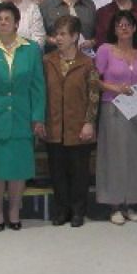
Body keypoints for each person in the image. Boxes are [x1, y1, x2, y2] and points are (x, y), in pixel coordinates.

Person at [0, 1, 47, 231]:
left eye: (7, 19)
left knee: (18, 168)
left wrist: (37, 117)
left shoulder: (31, 48)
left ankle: (14, 211)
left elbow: (38, 86)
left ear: (17, 23)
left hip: (22, 116)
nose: (3, 22)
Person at [95, 10, 137, 225]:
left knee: (134, 154)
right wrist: (116, 88)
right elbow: (95, 80)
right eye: (119, 25)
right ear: (114, 29)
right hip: (113, 106)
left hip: (136, 106)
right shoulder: (105, 50)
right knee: (114, 155)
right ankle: (114, 205)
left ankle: (130, 203)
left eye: (128, 24)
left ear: (135, 28)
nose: (124, 28)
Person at [43, 16, 100, 227]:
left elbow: (94, 94)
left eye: (63, 34)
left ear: (75, 36)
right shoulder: (47, 61)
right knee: (57, 171)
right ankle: (61, 210)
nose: (58, 38)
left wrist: (89, 122)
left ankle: (78, 211)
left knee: (79, 172)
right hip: (54, 124)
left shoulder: (87, 63)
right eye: (56, 34)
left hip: (78, 125)